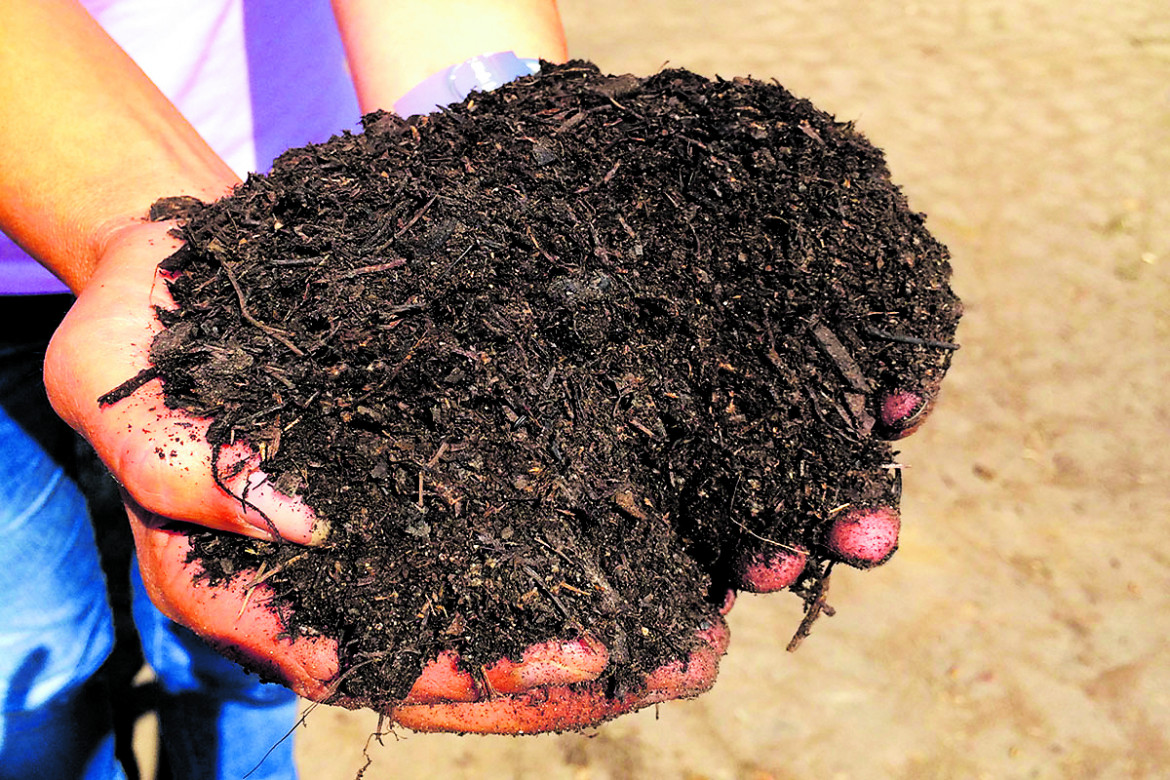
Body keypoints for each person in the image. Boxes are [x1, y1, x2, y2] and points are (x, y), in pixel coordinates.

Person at [0, 1, 930, 777]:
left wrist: (499, 124)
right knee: (36, 658)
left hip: (322, 194)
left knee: (234, 665)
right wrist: (131, 214)